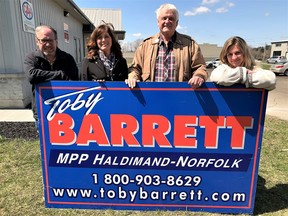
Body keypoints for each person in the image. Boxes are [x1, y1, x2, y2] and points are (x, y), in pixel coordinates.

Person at [125, 3, 207, 88]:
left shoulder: (190, 45)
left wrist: (199, 76)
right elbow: (135, 69)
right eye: (164, 18)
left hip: (180, 97)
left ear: (177, 23)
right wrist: (133, 78)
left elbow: (200, 67)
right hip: (151, 97)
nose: (167, 21)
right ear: (158, 22)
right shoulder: (145, 46)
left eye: (171, 18)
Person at [24, 25, 79, 125]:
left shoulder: (67, 58)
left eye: (50, 40)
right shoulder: (31, 58)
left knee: (67, 140)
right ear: (37, 41)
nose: (48, 44)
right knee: (45, 140)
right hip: (42, 109)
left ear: (56, 41)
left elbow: (74, 80)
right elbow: (32, 76)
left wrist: (42, 76)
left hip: (66, 108)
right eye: (44, 40)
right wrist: (60, 74)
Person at [210, 36, 276, 90]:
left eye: (237, 53)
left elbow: (271, 80)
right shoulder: (223, 68)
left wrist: (246, 77)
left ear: (245, 54)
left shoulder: (254, 69)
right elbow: (221, 77)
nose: (234, 58)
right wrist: (243, 74)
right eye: (230, 54)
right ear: (225, 56)